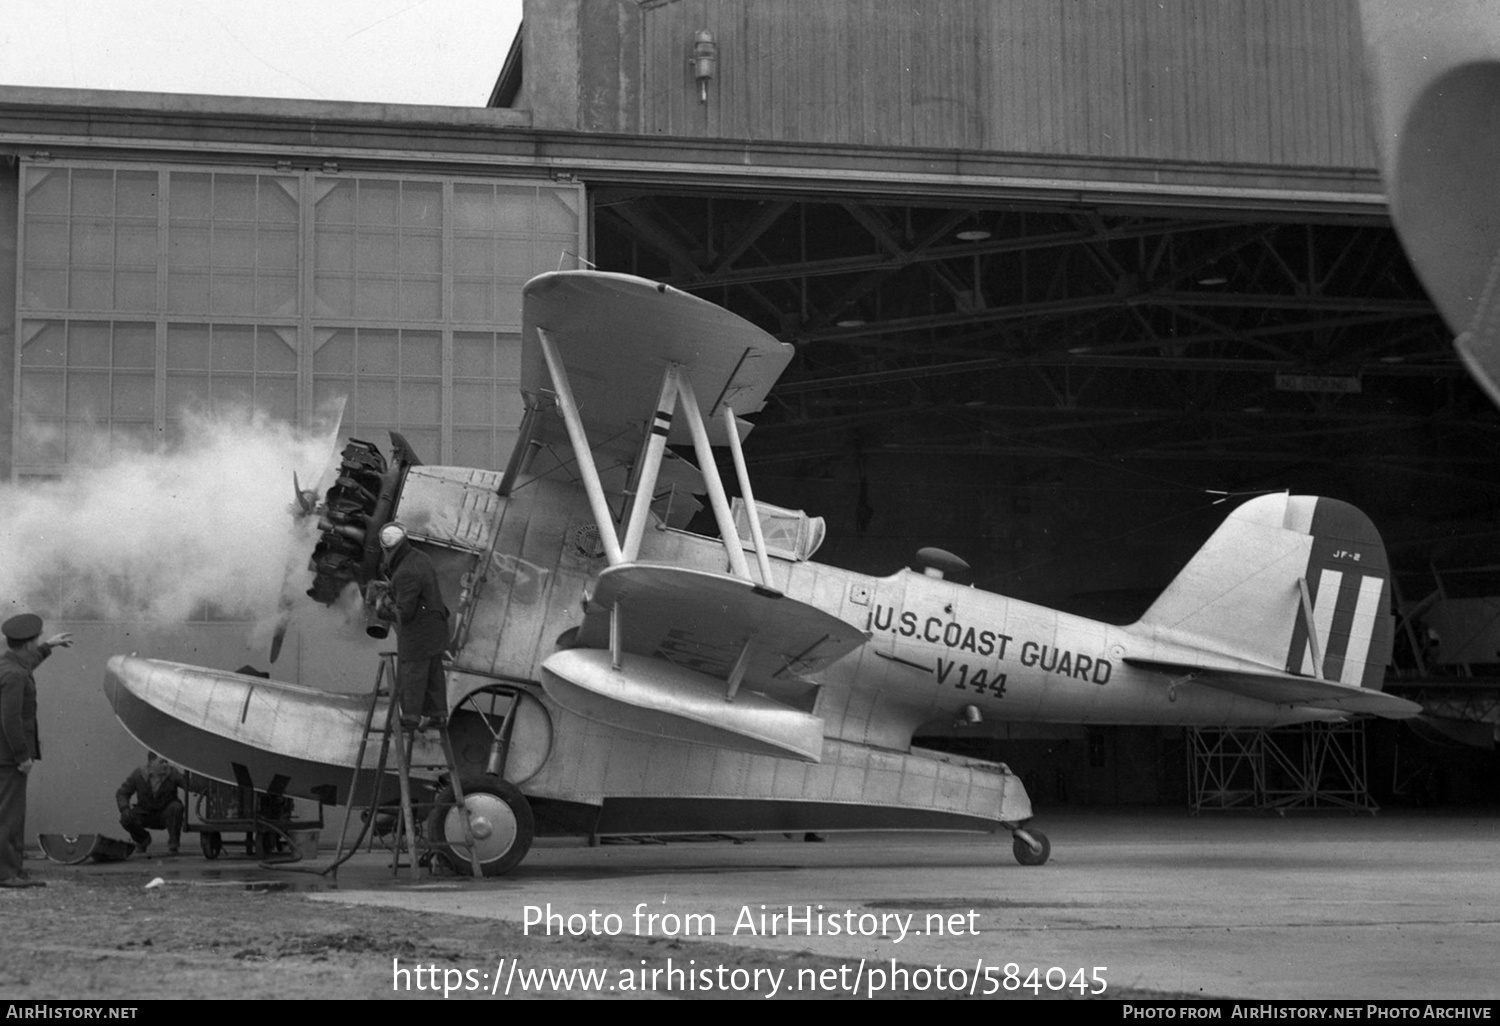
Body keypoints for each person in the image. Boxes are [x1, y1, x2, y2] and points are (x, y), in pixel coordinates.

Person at [0, 613, 72, 889]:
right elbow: (10, 719)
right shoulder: (14, 675)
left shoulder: (9, 664)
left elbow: (26, 664)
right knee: (8, 816)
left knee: (12, 814)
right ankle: (6, 874)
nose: (39, 641)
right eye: (38, 639)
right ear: (28, 643)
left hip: (6, 757)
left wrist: (49, 646)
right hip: (9, 759)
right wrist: (22, 757)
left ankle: (14, 870)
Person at [377, 521, 451, 732]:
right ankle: (437, 716)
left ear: (387, 548)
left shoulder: (405, 572)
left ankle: (410, 718)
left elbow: (405, 613)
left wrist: (383, 608)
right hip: (436, 628)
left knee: (412, 673)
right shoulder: (420, 557)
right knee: (434, 673)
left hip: (419, 633)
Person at [116, 752, 187, 856]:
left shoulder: (173, 773)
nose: (165, 765)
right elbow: (122, 793)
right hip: (145, 813)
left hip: (166, 813)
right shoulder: (138, 774)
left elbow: (188, 785)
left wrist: (202, 785)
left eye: (166, 761)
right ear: (151, 762)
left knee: (176, 807)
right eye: (162, 762)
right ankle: (142, 840)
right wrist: (124, 808)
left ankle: (173, 844)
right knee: (126, 818)